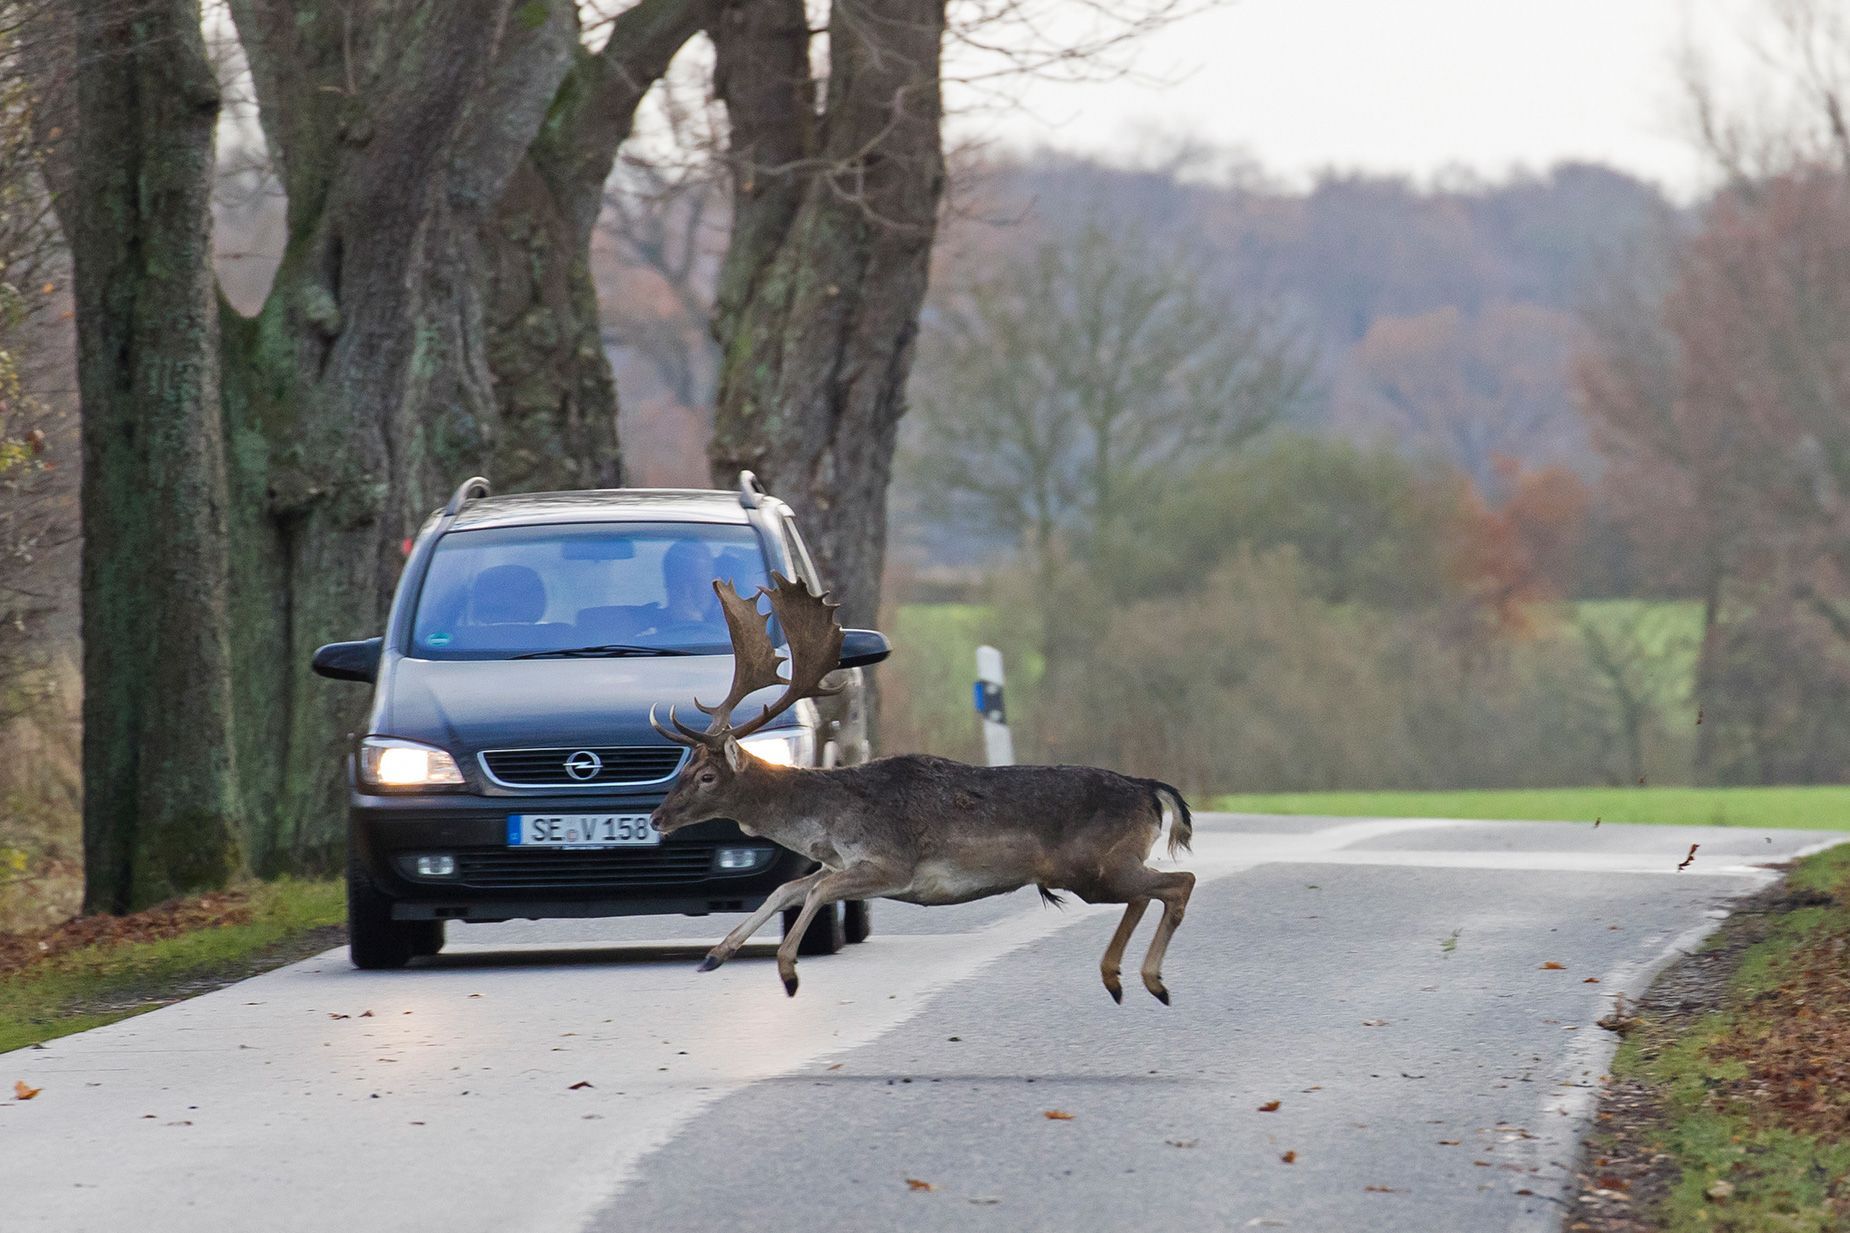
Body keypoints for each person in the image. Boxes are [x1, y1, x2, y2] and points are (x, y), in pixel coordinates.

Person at [659, 540, 718, 627]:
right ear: (667, 585)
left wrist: (692, 624)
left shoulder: (733, 625)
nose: (687, 594)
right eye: (679, 586)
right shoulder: (646, 628)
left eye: (696, 584)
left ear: (714, 585)